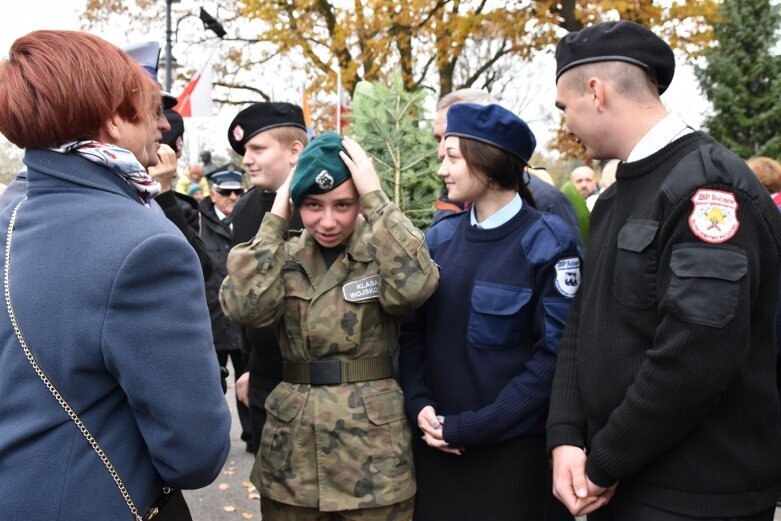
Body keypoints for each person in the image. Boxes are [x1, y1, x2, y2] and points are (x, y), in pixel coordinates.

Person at [547, 20, 781, 521]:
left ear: (596, 91)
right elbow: (582, 323)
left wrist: (605, 461)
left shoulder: (707, 187)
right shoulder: (613, 199)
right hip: (625, 485)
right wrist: (565, 435)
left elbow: (697, 354)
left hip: (695, 496)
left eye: (565, 108)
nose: (566, 126)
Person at [0, 30, 231, 519]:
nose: (163, 126)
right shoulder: (146, 244)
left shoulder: (11, 211)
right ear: (110, 119)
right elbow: (195, 454)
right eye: (149, 109)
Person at [220, 132, 439, 520]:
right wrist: (275, 220)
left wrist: (377, 199)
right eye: (312, 205)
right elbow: (243, 307)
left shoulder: (382, 252)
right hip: (294, 458)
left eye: (343, 204)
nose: (328, 221)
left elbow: (416, 287)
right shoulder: (280, 256)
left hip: (373, 457)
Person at [399, 103, 581, 520]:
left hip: (512, 463)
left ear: (489, 161)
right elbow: (412, 336)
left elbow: (553, 359)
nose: (442, 170)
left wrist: (476, 426)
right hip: (436, 451)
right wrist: (419, 403)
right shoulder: (440, 240)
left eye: (452, 158)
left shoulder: (548, 243)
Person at [226, 101, 309, 454]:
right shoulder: (246, 209)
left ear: (295, 151)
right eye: (246, 150)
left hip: (317, 380)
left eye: (258, 149)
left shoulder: (326, 203)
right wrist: (249, 368)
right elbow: (244, 292)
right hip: (265, 382)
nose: (247, 159)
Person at [432, 88, 584, 251]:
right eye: (439, 139)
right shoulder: (445, 217)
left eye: (451, 139)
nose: (441, 152)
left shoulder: (547, 203)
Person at [199, 165, 253, 450]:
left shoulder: (251, 216)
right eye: (225, 192)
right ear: (212, 193)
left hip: (243, 320)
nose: (233, 197)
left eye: (237, 191)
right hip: (212, 320)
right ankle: (214, 440)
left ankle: (252, 435)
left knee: (249, 378)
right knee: (211, 385)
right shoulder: (197, 219)